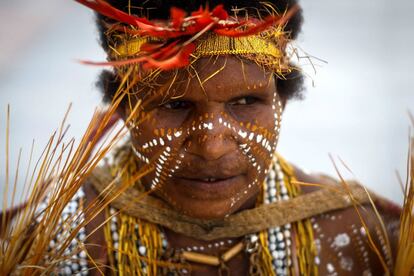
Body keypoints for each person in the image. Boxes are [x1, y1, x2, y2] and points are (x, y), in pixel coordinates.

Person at [46, 0, 402, 275]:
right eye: (175, 104)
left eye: (245, 101)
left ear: (282, 99)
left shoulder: (369, 237)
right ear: (124, 108)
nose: (213, 147)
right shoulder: (50, 242)